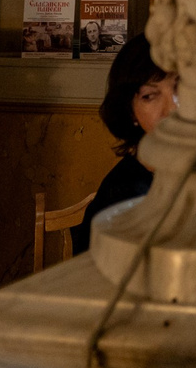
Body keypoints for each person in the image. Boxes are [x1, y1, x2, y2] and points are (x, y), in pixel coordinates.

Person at [73, 33, 177, 256]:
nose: (172, 109)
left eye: (181, 88)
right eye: (150, 96)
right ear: (131, 112)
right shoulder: (125, 195)